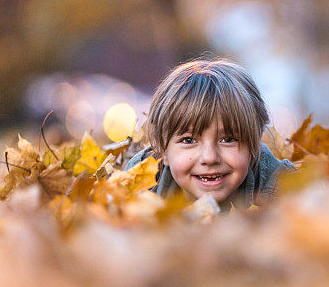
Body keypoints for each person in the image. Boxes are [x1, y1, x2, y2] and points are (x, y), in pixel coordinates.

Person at [124, 57, 295, 210]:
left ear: (254, 145)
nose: (209, 157)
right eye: (189, 140)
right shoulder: (140, 182)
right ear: (163, 150)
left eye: (228, 139)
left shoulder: (279, 182)